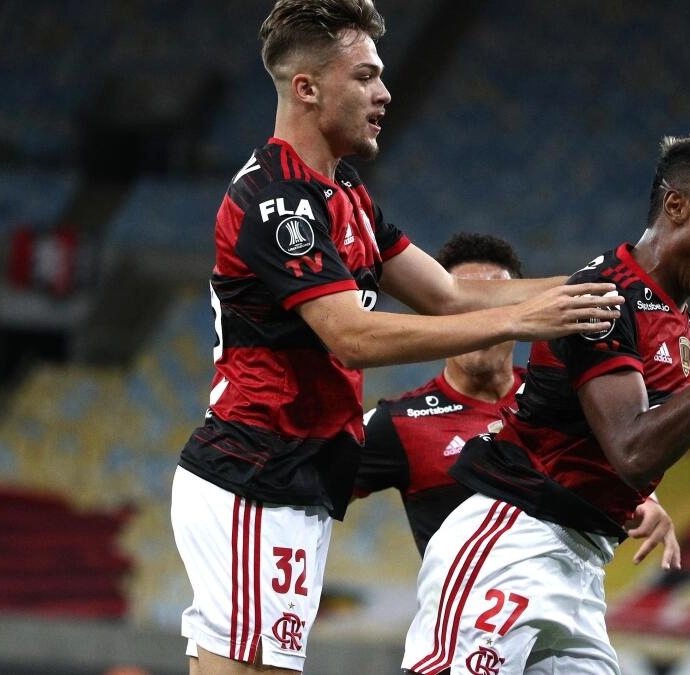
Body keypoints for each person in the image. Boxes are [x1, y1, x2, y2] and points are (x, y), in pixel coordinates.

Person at [169, 2, 621, 674]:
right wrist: (521, 321)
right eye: (366, 76)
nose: (385, 93)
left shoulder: (343, 192)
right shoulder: (277, 201)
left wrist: (585, 288)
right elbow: (350, 335)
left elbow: (445, 292)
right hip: (254, 471)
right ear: (308, 88)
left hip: (292, 475)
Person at [401, 133, 690, 675]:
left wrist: (641, 504)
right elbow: (632, 449)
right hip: (514, 541)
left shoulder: (675, 318)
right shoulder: (602, 295)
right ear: (676, 206)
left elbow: (618, 455)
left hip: (581, 561)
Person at [353, 232, 680, 567]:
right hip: (465, 609)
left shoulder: (561, 401)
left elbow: (614, 456)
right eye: (464, 309)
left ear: (527, 313)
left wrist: (648, 502)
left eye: (493, 307)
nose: (478, 322)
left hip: (556, 599)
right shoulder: (400, 423)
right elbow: (310, 481)